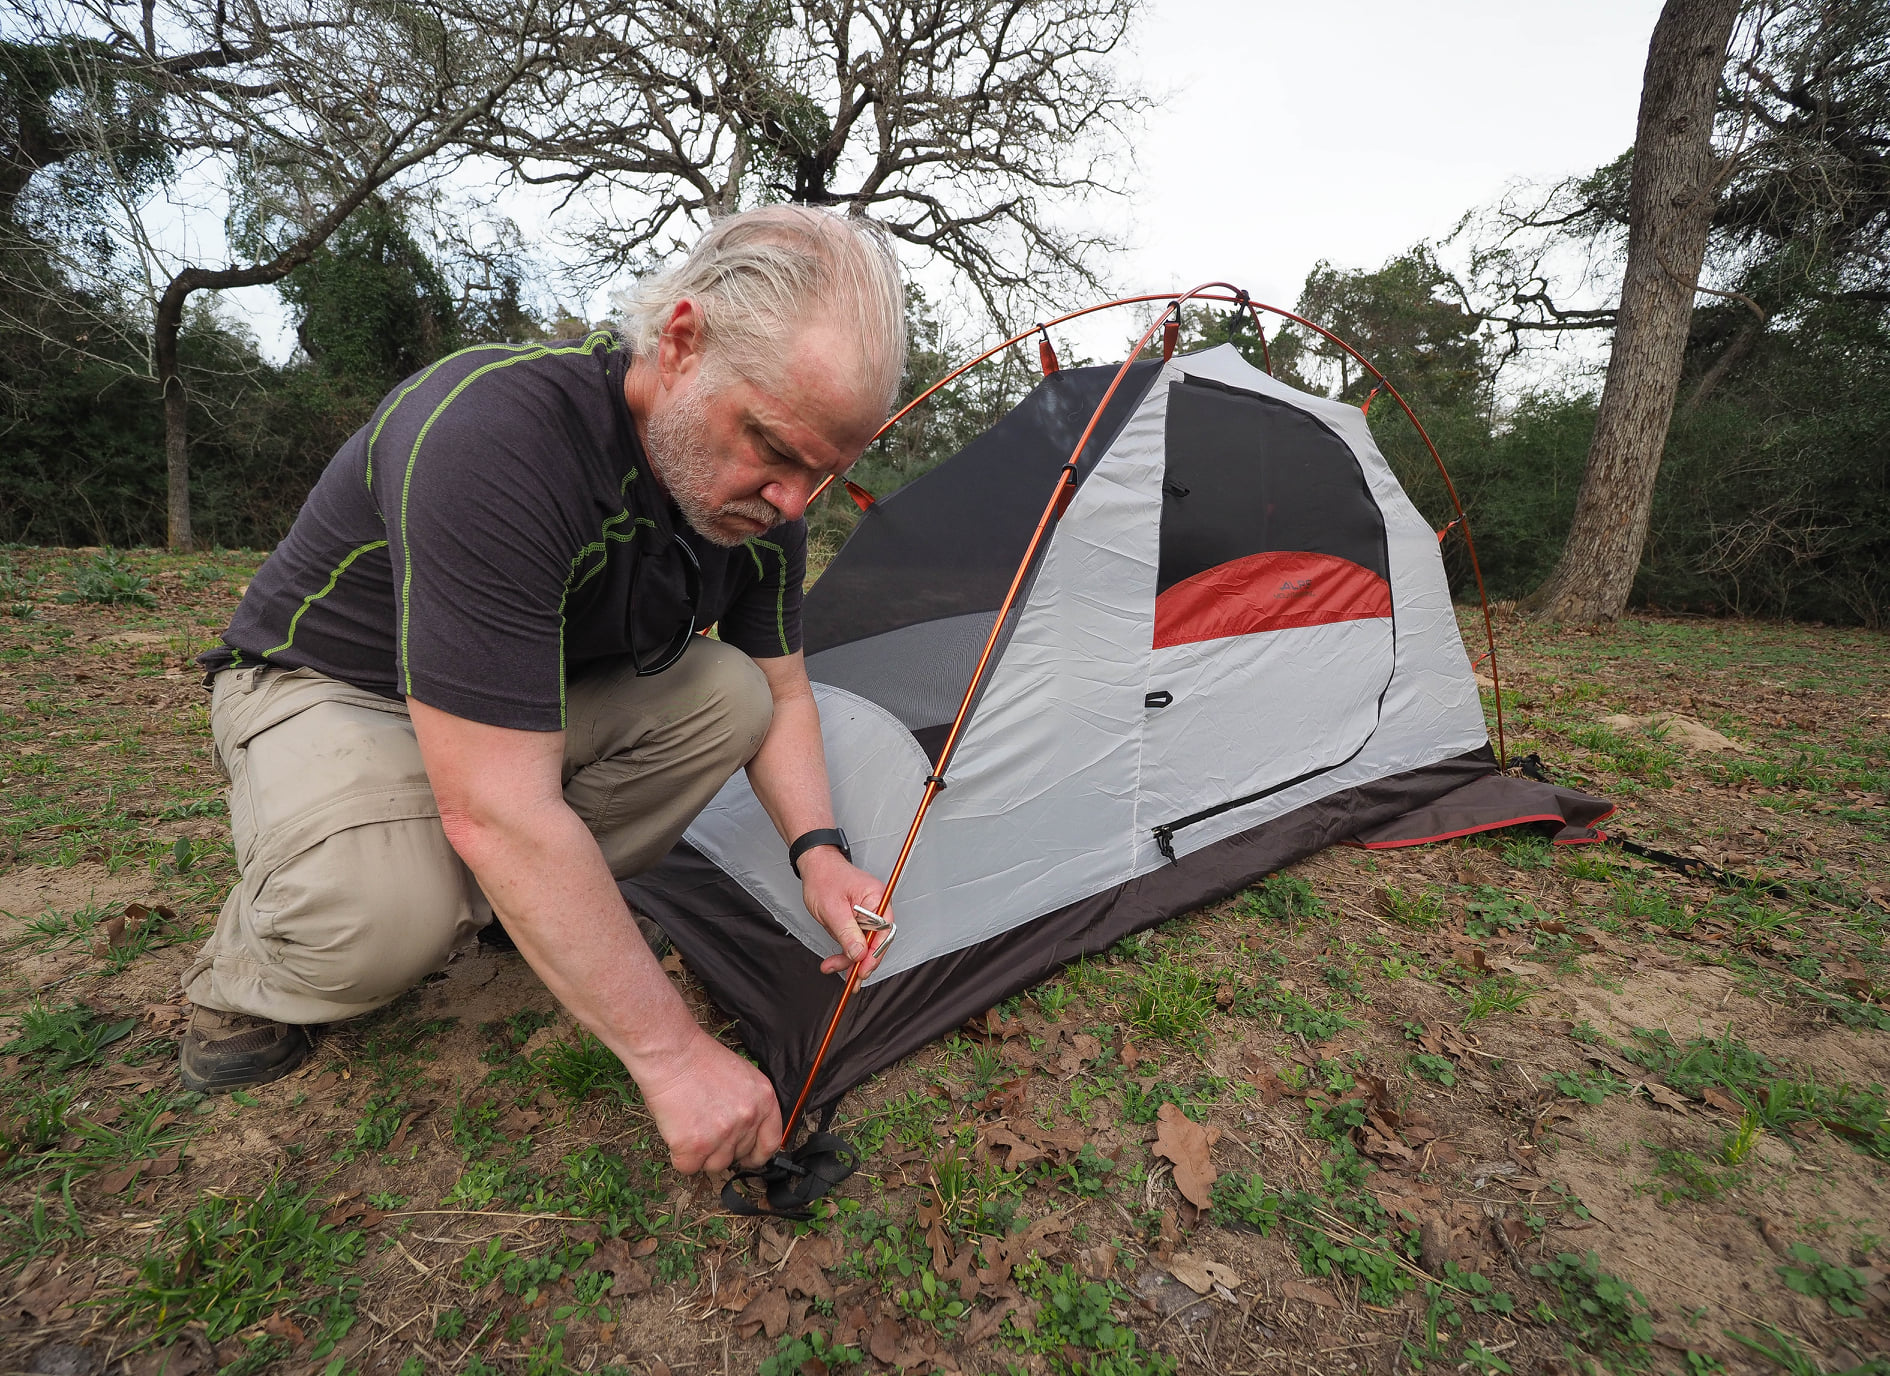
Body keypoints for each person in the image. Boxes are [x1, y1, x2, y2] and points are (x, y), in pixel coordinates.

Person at [179, 206, 906, 1175]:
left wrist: (820, 853)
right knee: (378, 917)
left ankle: (518, 909)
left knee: (729, 694)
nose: (792, 501)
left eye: (825, 473)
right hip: (335, 686)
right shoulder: (497, 434)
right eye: (772, 445)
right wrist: (672, 1053)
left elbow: (781, 689)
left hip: (517, 708)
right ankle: (245, 973)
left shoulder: (767, 503)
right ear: (683, 342)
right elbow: (495, 806)